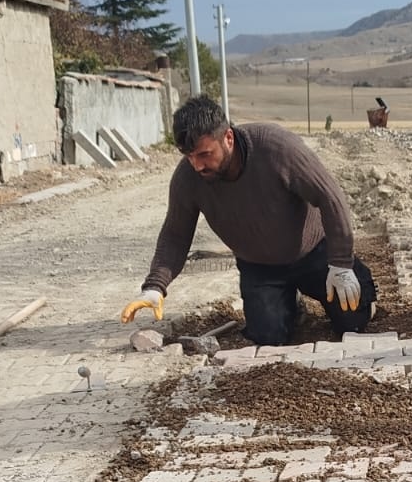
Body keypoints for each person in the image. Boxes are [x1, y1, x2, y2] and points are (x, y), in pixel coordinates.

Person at [121, 94, 376, 346]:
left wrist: (341, 264)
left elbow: (330, 197)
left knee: (353, 321)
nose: (197, 166)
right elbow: (175, 235)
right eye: (189, 157)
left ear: (228, 138)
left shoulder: (278, 149)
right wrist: (155, 287)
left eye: (205, 154)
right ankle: (291, 305)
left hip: (314, 253)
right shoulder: (188, 178)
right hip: (260, 268)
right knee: (268, 337)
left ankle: (358, 281)